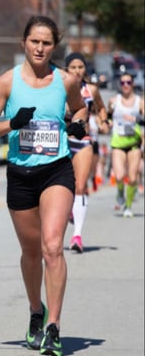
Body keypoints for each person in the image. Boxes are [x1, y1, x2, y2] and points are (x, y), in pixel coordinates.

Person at [0, 15, 88, 356]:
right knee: (31, 252)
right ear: (23, 42)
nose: (40, 48)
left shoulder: (66, 80)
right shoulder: (6, 83)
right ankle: (35, 311)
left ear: (55, 46)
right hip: (21, 175)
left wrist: (78, 124)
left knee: (52, 246)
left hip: (56, 170)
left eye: (47, 43)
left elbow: (81, 109)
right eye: (34, 41)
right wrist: (12, 123)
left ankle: (54, 326)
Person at [63, 52, 109, 252]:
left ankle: (77, 236)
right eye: (73, 67)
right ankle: (70, 212)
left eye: (80, 67)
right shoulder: (60, 88)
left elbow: (101, 109)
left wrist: (103, 122)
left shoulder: (91, 90)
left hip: (83, 142)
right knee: (65, 189)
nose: (77, 71)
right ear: (66, 70)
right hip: (62, 142)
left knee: (80, 186)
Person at [106, 71, 144, 217]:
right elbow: (108, 118)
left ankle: (128, 207)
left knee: (133, 178)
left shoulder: (139, 102)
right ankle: (120, 191)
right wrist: (108, 123)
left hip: (134, 143)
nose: (126, 85)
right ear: (120, 85)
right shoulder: (114, 101)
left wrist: (136, 120)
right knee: (120, 175)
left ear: (133, 84)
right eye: (123, 83)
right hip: (118, 142)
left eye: (128, 82)